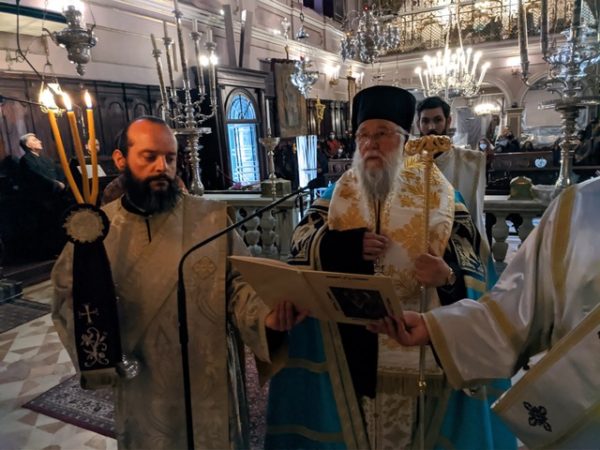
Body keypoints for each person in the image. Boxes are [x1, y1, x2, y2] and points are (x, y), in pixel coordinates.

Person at [263, 86, 515, 449]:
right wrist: (345, 247)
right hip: (350, 346)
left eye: (382, 133)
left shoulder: (440, 195)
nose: (370, 143)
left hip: (418, 344)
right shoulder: (337, 193)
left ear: (404, 139)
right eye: (363, 135)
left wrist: (447, 277)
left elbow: (472, 258)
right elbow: (302, 242)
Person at [52, 116, 299, 449]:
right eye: (149, 156)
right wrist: (101, 343)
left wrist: (265, 316)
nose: (162, 167)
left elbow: (238, 285)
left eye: (170, 158)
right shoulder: (97, 232)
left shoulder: (210, 219)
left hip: (207, 373)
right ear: (121, 159)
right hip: (142, 380)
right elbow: (68, 297)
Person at [371, 177, 600, 449]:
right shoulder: (579, 208)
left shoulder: (445, 197)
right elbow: (513, 314)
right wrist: (434, 326)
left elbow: (469, 263)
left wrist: (450, 277)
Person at [417, 96, 487, 237]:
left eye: (438, 120)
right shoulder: (408, 162)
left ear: (448, 122)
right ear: (418, 124)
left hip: (458, 239)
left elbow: (475, 211)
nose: (431, 127)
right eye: (425, 121)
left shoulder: (470, 161)